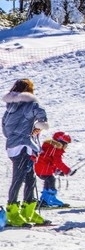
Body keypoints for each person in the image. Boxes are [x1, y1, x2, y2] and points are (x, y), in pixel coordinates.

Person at [3, 79, 49, 227]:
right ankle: (13, 212)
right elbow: (42, 117)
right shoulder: (31, 104)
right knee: (20, 179)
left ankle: (28, 211)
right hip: (25, 146)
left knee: (29, 178)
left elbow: (5, 130)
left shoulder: (9, 109)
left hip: (13, 147)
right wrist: (38, 127)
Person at [35, 131, 73, 208]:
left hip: (40, 169)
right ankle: (50, 199)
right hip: (45, 169)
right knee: (51, 180)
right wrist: (67, 171)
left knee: (48, 180)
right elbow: (58, 162)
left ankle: (45, 199)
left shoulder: (50, 146)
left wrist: (57, 171)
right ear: (61, 142)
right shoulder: (56, 149)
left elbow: (49, 160)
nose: (66, 147)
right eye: (66, 144)